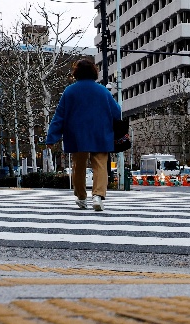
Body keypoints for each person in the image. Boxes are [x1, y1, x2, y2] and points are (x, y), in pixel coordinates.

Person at [46, 59, 122, 211]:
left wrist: (52, 137)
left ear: (77, 73)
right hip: (100, 133)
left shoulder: (70, 91)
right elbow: (117, 112)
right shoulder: (103, 91)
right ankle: (98, 196)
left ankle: (81, 197)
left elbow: (59, 116)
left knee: (78, 166)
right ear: (94, 72)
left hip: (77, 134)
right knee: (100, 165)